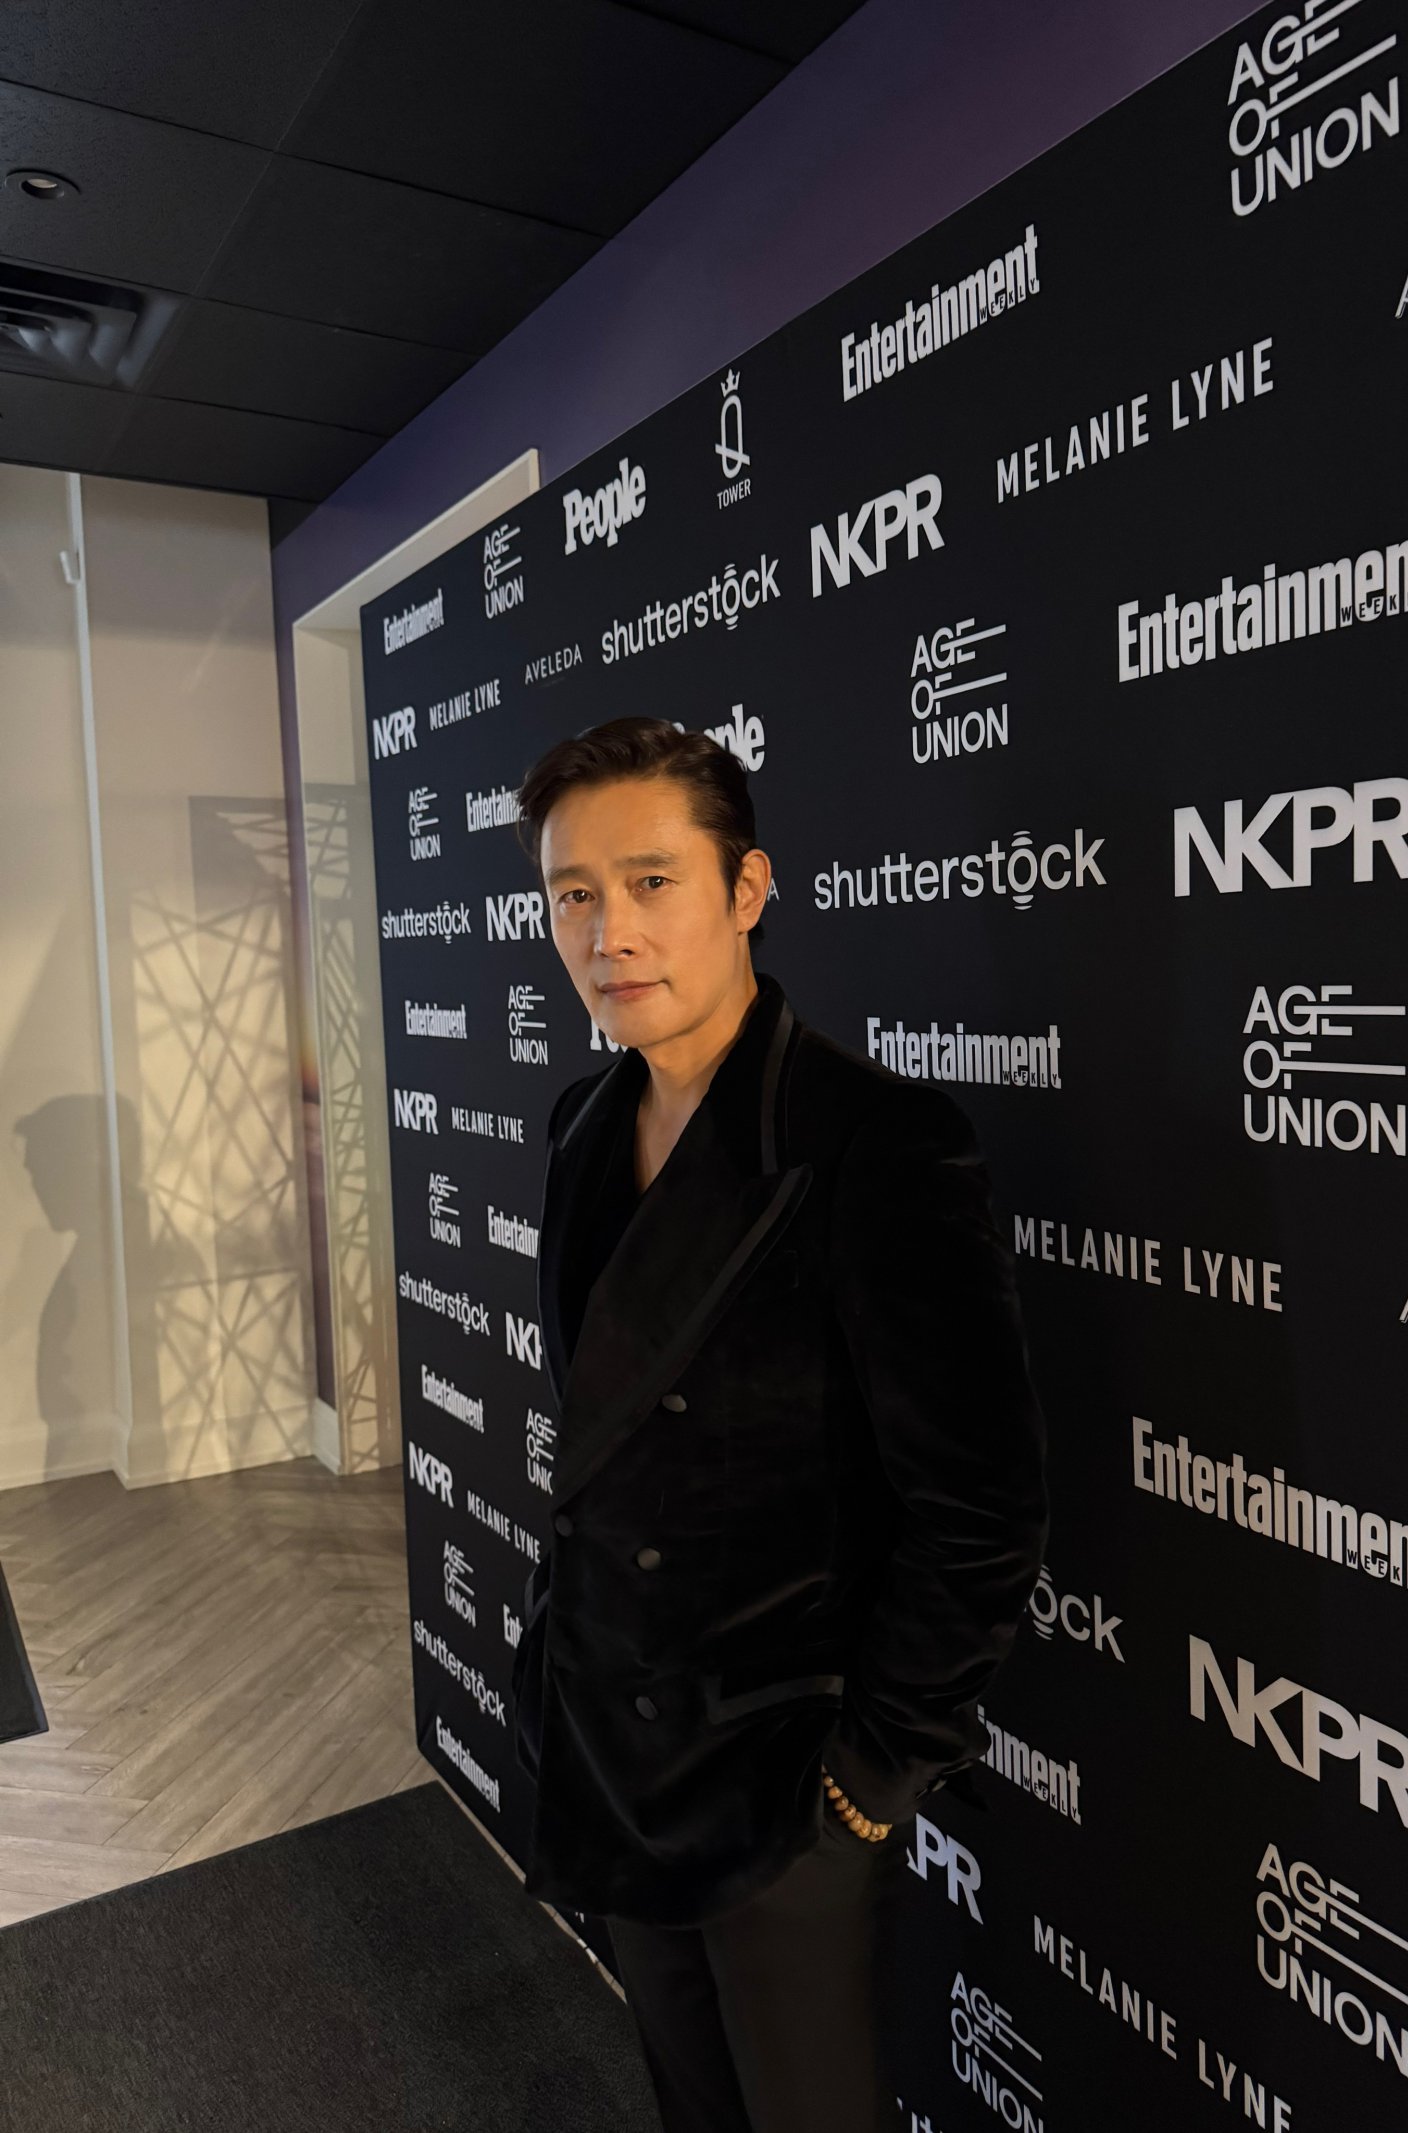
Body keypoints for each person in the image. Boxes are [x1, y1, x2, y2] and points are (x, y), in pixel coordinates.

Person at [509, 716, 1050, 2133]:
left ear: (746, 889)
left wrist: (867, 1782)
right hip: (612, 1740)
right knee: (689, 2098)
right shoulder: (580, 1126)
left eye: (652, 883)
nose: (611, 934)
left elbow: (981, 1511)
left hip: (779, 1781)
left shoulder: (876, 1141)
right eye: (575, 895)